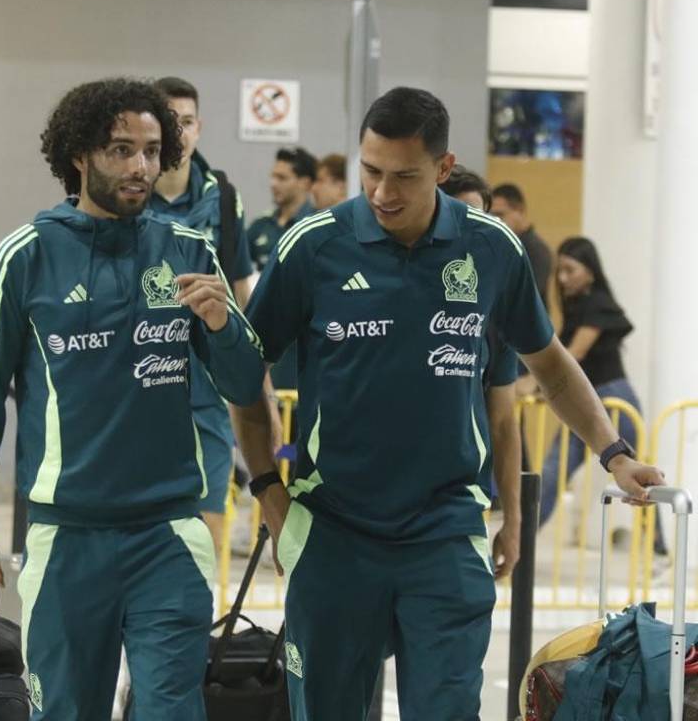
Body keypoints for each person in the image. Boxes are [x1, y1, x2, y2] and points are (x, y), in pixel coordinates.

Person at [233, 86, 665, 719]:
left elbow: (552, 367)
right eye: (371, 171)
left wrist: (614, 454)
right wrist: (269, 491)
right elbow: (247, 378)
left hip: (444, 531)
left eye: (404, 176)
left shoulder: (490, 247)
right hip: (333, 531)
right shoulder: (314, 246)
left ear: (442, 167)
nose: (383, 192)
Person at [0, 78, 264, 720]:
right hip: (67, 537)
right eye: (121, 149)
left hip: (170, 531)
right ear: (79, 156)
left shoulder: (189, 250)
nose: (140, 166)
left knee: (172, 709)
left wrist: (224, 326)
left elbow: (244, 383)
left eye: (151, 150)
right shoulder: (25, 257)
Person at [148, 75, 256, 555]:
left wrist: (255, 374)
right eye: (171, 123)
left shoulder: (225, 198)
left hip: (207, 388)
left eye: (187, 122)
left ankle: (199, 623)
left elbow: (239, 292)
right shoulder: (128, 193)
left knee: (207, 522)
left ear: (200, 127)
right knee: (150, 523)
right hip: (142, 379)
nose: (180, 133)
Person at [441, 164, 521, 576]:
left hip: (460, 509)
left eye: (480, 218)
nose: (468, 230)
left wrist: (514, 520)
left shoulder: (495, 311)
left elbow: (505, 421)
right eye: (458, 215)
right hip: (372, 511)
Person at [533, 237, 645, 526]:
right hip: (586, 400)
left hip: (613, 400)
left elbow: (575, 354)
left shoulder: (599, 304)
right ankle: (522, 544)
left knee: (637, 478)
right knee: (554, 472)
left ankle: (656, 549)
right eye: (560, 271)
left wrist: (536, 382)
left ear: (590, 271)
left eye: (570, 270)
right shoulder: (577, 308)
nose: (562, 278)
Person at [248, 147, 317, 272]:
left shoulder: (318, 226)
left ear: (305, 183)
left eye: (282, 178)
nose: (273, 184)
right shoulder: (260, 225)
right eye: (273, 177)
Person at [491, 183, 551, 305]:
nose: (495, 221)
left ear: (520, 210)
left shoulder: (536, 250)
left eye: (500, 215)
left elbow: (527, 297)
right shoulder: (504, 246)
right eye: (491, 216)